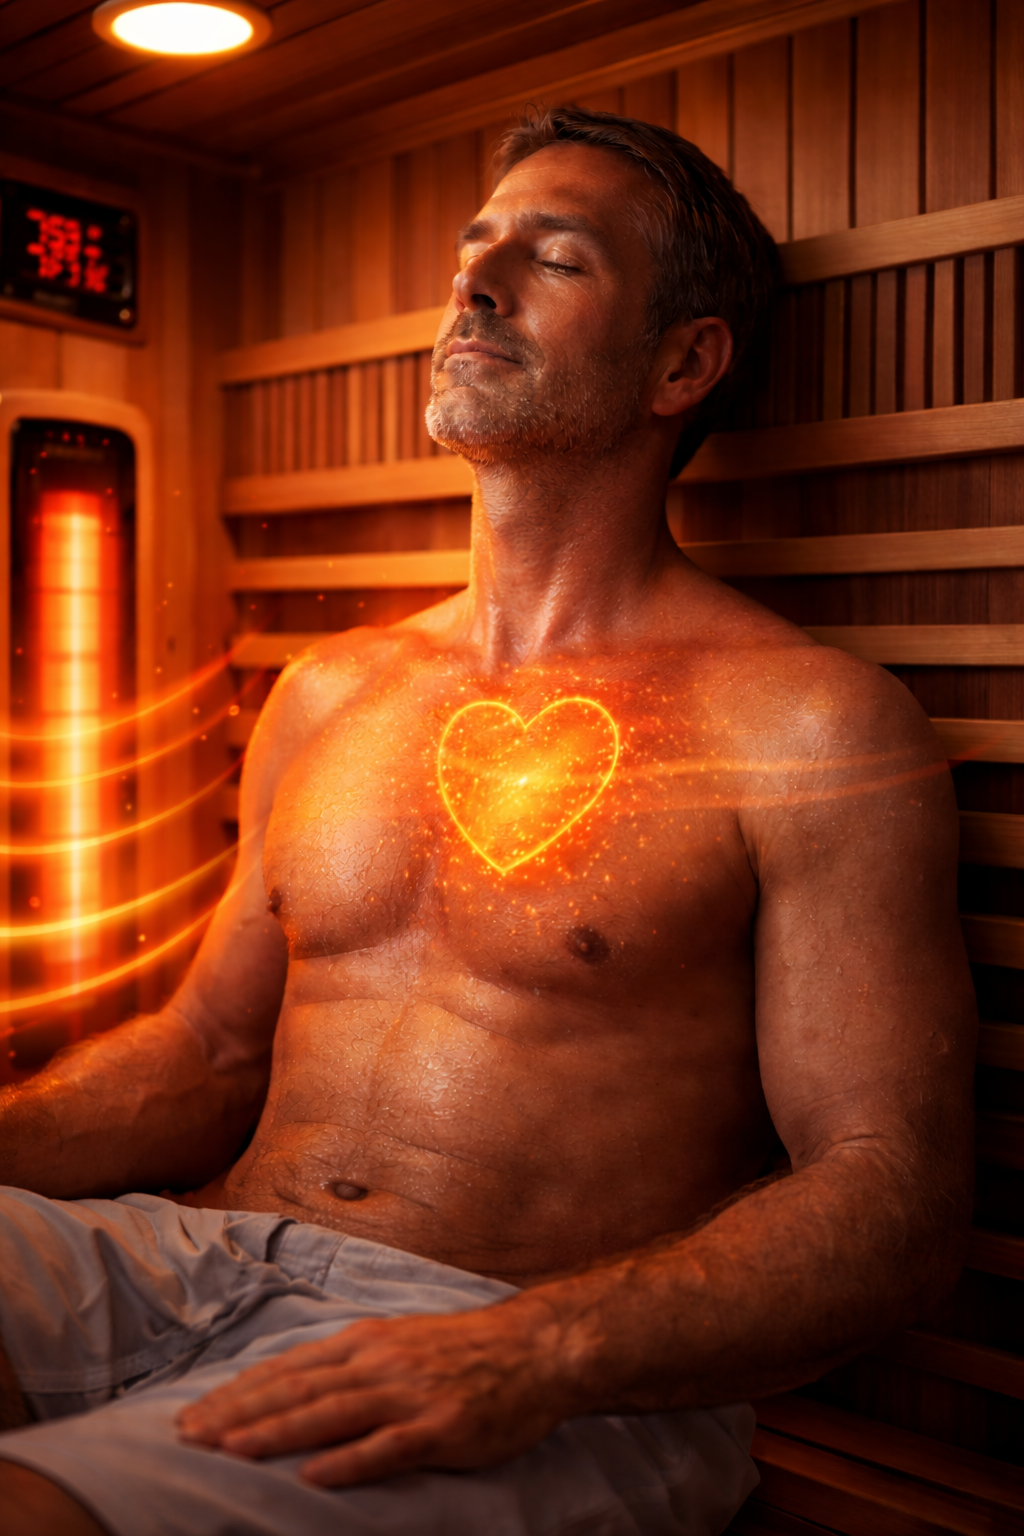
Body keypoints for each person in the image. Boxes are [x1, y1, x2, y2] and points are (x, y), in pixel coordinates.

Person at [0, 107, 976, 1536]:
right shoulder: (332, 692)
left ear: (684, 363)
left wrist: (539, 1349)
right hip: (182, 1259)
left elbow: (892, 1190)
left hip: (525, 1349)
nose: (476, 284)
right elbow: (206, 1054)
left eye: (556, 260)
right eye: (474, 251)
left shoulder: (806, 725)